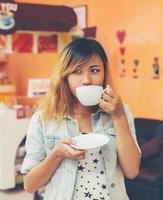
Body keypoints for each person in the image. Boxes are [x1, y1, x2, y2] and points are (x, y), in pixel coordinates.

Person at [21, 38, 141, 200]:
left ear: (104, 72)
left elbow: (132, 171)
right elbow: (30, 185)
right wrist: (56, 154)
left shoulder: (120, 111)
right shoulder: (43, 118)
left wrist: (118, 115)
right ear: (65, 76)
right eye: (77, 71)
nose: (86, 80)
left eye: (94, 70)